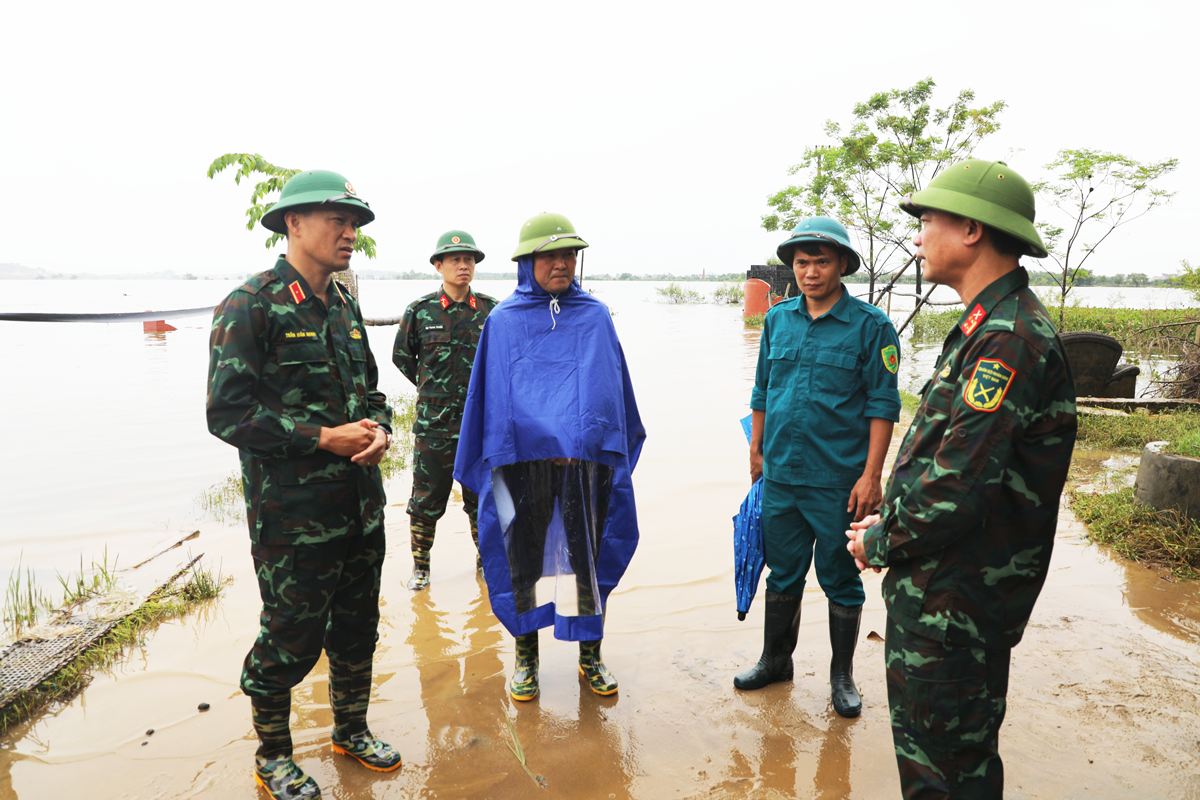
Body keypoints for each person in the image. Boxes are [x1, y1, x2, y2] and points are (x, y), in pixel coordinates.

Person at [846, 159, 1077, 797]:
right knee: (947, 768)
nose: (918, 236)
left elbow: (958, 489)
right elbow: (947, 462)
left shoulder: (1008, 338)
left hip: (957, 605)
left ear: (971, 229)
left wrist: (879, 541)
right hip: (945, 593)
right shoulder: (985, 326)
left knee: (942, 779)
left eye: (927, 221)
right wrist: (888, 518)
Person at [207, 170, 402, 800]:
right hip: (292, 519)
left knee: (357, 626)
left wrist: (381, 432)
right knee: (288, 637)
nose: (350, 233)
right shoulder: (252, 303)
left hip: (359, 509)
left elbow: (371, 392)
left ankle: (351, 730)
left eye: (355, 223)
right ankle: (273, 755)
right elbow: (227, 414)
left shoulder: (344, 306)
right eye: (336, 221)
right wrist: (322, 438)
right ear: (293, 223)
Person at [454, 212, 645, 701]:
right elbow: (492, 401)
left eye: (569, 255)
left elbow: (608, 394)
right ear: (527, 261)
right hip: (523, 468)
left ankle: (590, 657)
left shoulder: (595, 316)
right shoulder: (504, 322)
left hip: (585, 467)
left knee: (588, 560)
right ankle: (526, 659)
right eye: (550, 255)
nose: (562, 264)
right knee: (523, 562)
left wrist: (585, 446)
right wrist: (526, 449)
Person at [737, 216, 901, 719]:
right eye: (802, 262)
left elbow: (883, 403)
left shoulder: (871, 326)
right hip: (782, 476)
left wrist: (871, 476)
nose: (810, 272)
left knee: (840, 578)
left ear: (843, 265)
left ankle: (841, 676)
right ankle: (774, 661)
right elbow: (762, 390)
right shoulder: (776, 320)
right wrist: (756, 451)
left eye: (821, 261)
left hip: (839, 481)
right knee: (781, 574)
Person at [393, 230, 498, 590]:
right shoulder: (420, 312)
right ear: (439, 266)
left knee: (483, 500)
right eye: (455, 259)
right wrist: (434, 392)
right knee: (424, 502)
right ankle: (421, 568)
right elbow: (403, 358)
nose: (463, 265)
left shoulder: (491, 311)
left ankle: (487, 565)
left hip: (479, 428)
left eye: (469, 259)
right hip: (434, 429)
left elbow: (503, 363)